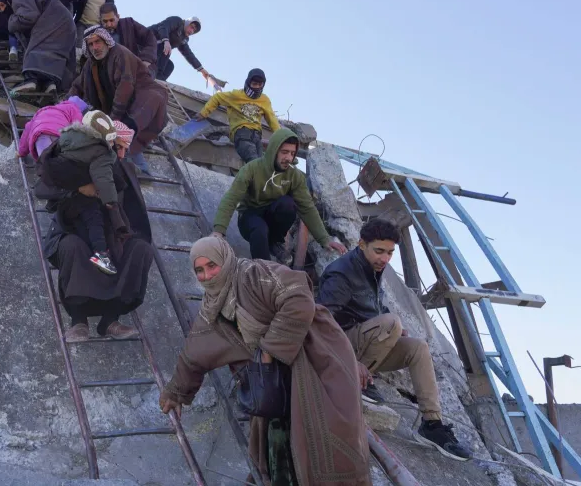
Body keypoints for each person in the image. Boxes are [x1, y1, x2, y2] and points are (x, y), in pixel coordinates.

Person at [159, 236, 371, 485]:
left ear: (225, 260)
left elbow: (298, 297)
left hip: (313, 355)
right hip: (271, 376)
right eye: (200, 270)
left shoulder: (254, 274)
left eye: (212, 266)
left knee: (325, 434)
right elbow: (195, 350)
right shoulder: (212, 307)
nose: (207, 275)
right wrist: (175, 392)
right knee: (276, 442)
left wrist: (269, 350)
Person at [317, 219, 473, 461]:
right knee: (392, 322)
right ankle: (355, 377)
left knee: (418, 347)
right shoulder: (342, 272)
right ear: (361, 244)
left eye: (390, 253)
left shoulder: (373, 269)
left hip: (363, 344)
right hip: (340, 350)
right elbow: (322, 322)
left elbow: (374, 306)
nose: (385, 258)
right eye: (379, 251)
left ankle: (432, 425)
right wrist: (351, 361)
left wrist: (394, 331)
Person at [40, 122, 152, 342]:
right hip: (72, 230)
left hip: (112, 232)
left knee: (141, 250)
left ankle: (110, 320)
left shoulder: (124, 170)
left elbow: (131, 209)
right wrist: (79, 187)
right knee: (75, 247)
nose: (121, 153)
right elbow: (46, 187)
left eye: (124, 149)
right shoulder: (72, 160)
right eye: (117, 147)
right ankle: (79, 322)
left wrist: (124, 232)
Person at [212, 128, 348, 263]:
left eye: (292, 153)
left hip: (272, 213)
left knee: (288, 204)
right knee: (259, 228)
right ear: (274, 150)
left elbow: (307, 207)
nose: (288, 158)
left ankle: (274, 242)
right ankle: (263, 271)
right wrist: (219, 230)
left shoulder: (294, 176)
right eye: (284, 152)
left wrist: (324, 239)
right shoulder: (252, 169)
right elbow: (231, 199)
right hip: (250, 217)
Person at [69, 26, 169, 175]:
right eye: (90, 44)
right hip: (118, 108)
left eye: (98, 42)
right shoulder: (90, 65)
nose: (95, 47)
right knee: (120, 133)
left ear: (106, 41)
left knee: (126, 129)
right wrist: (63, 107)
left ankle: (139, 169)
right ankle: (133, 167)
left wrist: (112, 122)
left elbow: (125, 86)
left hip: (143, 99)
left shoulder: (120, 53)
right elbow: (77, 86)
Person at [38, 111, 127, 275]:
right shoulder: (101, 151)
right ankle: (101, 254)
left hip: (64, 198)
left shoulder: (66, 139)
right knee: (95, 220)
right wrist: (110, 201)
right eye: (115, 142)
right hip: (82, 200)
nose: (115, 146)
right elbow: (103, 178)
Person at [196, 69, 280, 163]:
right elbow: (217, 98)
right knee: (253, 160)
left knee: (260, 163)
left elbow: (272, 119)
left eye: (260, 85)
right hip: (241, 132)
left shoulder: (264, 100)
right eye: (254, 84)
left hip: (256, 135)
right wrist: (203, 113)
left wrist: (282, 137)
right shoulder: (236, 95)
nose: (257, 87)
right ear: (248, 83)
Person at [7, 0, 77, 95]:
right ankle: (50, 84)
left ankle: (30, 80)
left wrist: (11, 22)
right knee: (54, 53)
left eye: (1, 6)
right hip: (68, 25)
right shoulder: (39, 0)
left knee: (36, 47)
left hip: (55, 20)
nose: (1, 10)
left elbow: (30, 17)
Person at [17, 96, 88, 161]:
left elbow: (28, 128)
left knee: (45, 164)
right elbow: (78, 127)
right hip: (58, 135)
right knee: (62, 163)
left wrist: (21, 152)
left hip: (40, 135)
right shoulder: (74, 108)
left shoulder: (44, 110)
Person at [100, 3, 157, 76]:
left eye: (111, 20)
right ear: (100, 20)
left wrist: (146, 60)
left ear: (118, 17)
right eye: (105, 21)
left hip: (134, 67)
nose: (108, 24)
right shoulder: (96, 33)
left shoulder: (128, 24)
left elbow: (150, 38)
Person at [149, 16, 209, 82]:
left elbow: (189, 54)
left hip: (157, 51)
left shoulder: (183, 39)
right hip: (145, 42)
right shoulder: (177, 21)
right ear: (187, 23)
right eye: (191, 27)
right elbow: (163, 26)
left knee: (169, 66)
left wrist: (201, 70)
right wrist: (166, 40)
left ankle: (158, 81)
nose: (191, 31)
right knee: (166, 48)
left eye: (194, 31)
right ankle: (155, 76)